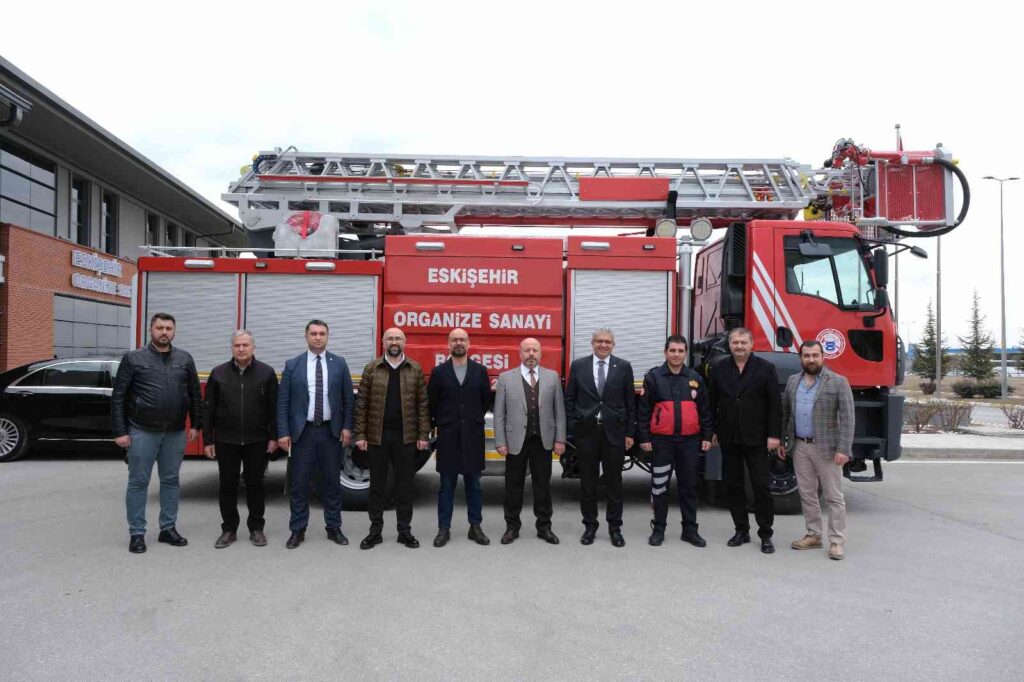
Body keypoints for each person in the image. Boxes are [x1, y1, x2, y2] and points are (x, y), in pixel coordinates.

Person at [112, 312, 201, 554]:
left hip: (175, 432)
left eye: (168, 328)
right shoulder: (134, 359)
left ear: (174, 331)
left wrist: (196, 424)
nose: (164, 332)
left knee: (171, 481)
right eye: (160, 328)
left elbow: (194, 394)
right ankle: (137, 533)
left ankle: (168, 528)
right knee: (138, 482)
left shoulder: (184, 359)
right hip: (142, 431)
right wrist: (120, 431)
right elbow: (119, 396)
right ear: (150, 330)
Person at [277, 319, 354, 549]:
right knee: (299, 485)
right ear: (306, 336)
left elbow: (348, 399)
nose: (318, 337)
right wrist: (283, 432)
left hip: (330, 432)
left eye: (322, 333)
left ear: (327, 336)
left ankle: (334, 527)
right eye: (314, 333)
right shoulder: (293, 365)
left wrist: (347, 427)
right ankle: (297, 530)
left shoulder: (339, 363)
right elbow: (283, 402)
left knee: (332, 484)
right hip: (303, 433)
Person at [353, 327, 430, 550]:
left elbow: (423, 405)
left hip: (406, 437)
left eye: (398, 338)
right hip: (377, 436)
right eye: (390, 338)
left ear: (404, 342)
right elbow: (362, 404)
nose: (394, 342)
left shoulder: (414, 368)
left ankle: (404, 532)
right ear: (383, 342)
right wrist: (360, 434)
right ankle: (375, 532)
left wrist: (423, 435)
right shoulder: (372, 368)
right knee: (377, 486)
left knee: (404, 486)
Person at [779, 340, 855, 561]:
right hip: (800, 446)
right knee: (807, 494)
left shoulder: (838, 381)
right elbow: (786, 414)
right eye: (806, 356)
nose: (811, 359)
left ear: (823, 357)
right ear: (800, 358)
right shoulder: (793, 381)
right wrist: (784, 441)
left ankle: (837, 541)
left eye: (815, 355)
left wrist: (844, 448)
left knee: (833, 496)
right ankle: (813, 535)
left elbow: (848, 418)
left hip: (827, 448)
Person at [202, 330, 279, 549]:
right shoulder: (218, 373)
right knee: (227, 486)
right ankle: (229, 529)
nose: (241, 349)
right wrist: (208, 440)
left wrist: (274, 437)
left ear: (253, 347)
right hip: (226, 440)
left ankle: (256, 528)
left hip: (257, 440)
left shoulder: (266, 373)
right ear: (232, 348)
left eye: (245, 345)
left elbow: (274, 408)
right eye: (237, 345)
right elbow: (208, 409)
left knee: (256, 485)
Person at [708, 327, 782, 553]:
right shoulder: (719, 368)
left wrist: (774, 435)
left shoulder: (766, 368)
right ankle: (741, 530)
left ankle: (765, 534)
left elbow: (775, 404)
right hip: (728, 436)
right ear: (729, 345)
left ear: (752, 344)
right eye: (735, 343)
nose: (739, 346)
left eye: (743, 342)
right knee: (734, 486)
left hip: (757, 437)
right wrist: (711, 431)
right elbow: (712, 402)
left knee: (761, 486)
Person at [636, 335, 713, 547]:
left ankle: (690, 530)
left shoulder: (695, 378)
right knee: (659, 486)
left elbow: (705, 410)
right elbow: (643, 411)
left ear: (686, 353)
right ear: (665, 352)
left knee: (689, 487)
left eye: (680, 351)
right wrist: (644, 437)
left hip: (689, 442)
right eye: (672, 350)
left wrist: (707, 435)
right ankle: (658, 529)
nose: (676, 355)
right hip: (662, 442)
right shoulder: (653, 377)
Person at [564, 328, 635, 547]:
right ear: (592, 343)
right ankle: (590, 526)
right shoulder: (578, 366)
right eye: (599, 341)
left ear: (613, 344)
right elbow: (569, 399)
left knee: (614, 483)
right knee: (588, 483)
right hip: (587, 433)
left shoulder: (623, 367)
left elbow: (630, 402)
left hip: (614, 433)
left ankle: (615, 528)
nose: (603, 345)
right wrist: (573, 427)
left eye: (607, 342)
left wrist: (630, 433)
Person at [493, 337, 566, 545]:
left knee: (542, 486)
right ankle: (511, 527)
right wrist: (500, 441)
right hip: (515, 441)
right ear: (520, 353)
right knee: (513, 486)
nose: (531, 354)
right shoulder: (506, 378)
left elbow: (559, 411)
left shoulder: (552, 377)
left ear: (541, 353)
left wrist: (560, 439)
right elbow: (499, 413)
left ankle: (544, 527)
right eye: (527, 350)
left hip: (543, 441)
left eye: (535, 350)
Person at [427, 328, 492, 547]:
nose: (458, 343)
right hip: (448, 437)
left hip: (473, 437)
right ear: (448, 344)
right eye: (454, 339)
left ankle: (475, 527)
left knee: (474, 486)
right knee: (446, 486)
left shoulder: (480, 371)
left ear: (468, 343)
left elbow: (484, 401)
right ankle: (443, 529)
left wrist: (470, 419)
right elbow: (432, 403)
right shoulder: (439, 372)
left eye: (462, 339)